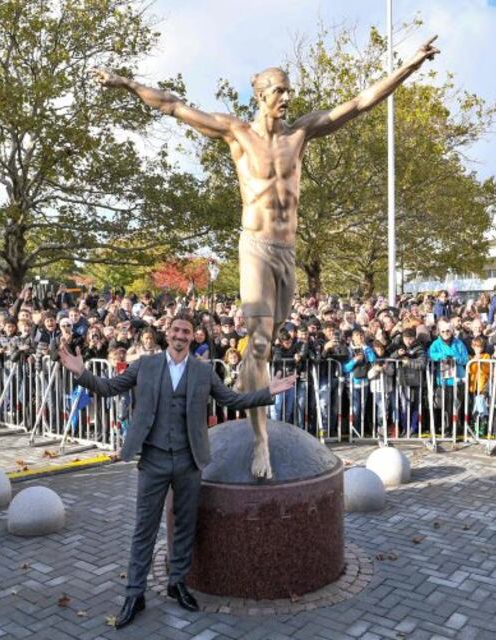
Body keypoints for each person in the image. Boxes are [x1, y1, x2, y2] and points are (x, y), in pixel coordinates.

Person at [91, 35, 440, 480]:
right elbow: (173, 105)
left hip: (286, 251)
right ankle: (260, 442)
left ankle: (245, 384)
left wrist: (409, 65)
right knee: (257, 344)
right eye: (279, 90)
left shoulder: (301, 133)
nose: (287, 98)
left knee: (269, 344)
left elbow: (358, 104)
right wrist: (124, 83)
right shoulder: (237, 133)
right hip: (255, 245)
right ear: (260, 94)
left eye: (289, 90)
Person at [56, 313, 295, 629]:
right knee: (144, 528)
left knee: (185, 524)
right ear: (167, 334)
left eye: (186, 331)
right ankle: (134, 593)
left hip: (188, 459)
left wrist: (267, 391)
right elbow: (109, 387)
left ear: (192, 336)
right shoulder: (145, 365)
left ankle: (177, 582)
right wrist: (81, 372)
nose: (181, 335)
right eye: (176, 330)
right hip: (153, 459)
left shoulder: (203, 371)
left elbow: (231, 399)